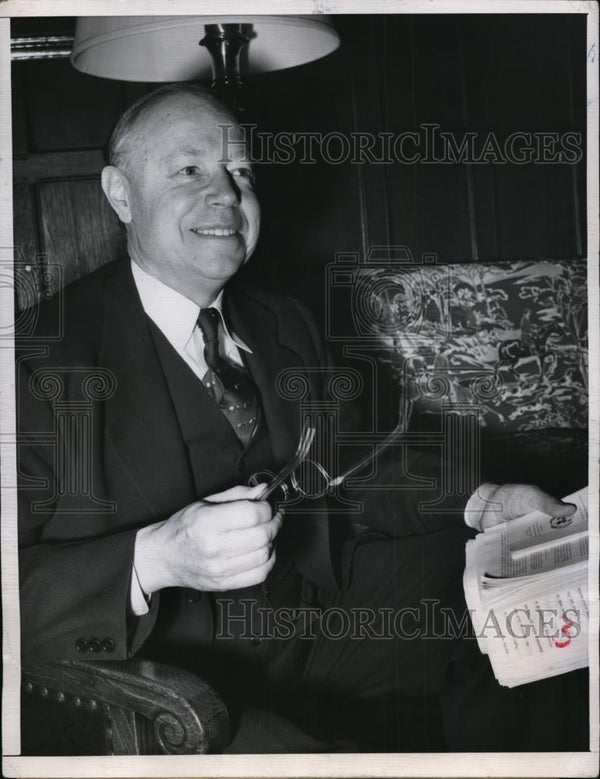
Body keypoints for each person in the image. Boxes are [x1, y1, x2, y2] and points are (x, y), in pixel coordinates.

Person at [17, 83, 581, 753]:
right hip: (159, 682)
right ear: (119, 192)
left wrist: (485, 501)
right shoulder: (36, 356)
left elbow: (360, 458)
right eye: (190, 169)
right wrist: (154, 558)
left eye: (242, 171)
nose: (226, 192)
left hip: (312, 619)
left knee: (523, 609)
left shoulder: (281, 321)